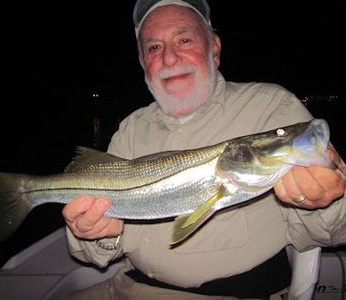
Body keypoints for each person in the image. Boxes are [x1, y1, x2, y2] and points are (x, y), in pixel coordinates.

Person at [62, 0, 346, 298]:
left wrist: (324, 199)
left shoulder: (272, 105)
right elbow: (95, 255)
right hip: (126, 287)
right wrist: (99, 236)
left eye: (184, 39)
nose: (169, 58)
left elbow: (336, 231)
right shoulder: (131, 128)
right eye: (154, 47)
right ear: (143, 61)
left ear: (214, 48)